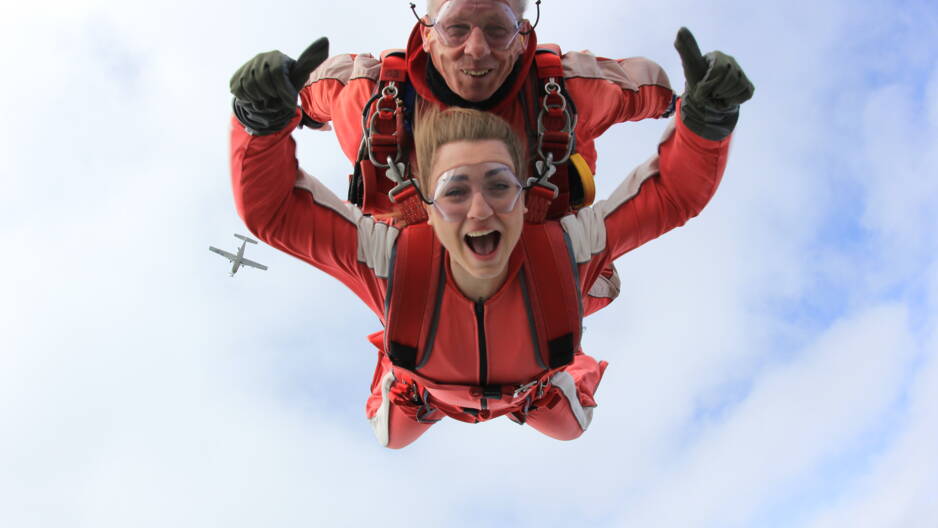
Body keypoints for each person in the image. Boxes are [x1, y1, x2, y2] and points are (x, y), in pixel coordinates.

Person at [228, 28, 753, 448]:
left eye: (499, 186)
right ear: (426, 210)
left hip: (537, 385)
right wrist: (261, 119)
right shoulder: (390, 259)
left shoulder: (567, 250)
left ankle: (538, 386)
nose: (480, 210)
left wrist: (705, 121)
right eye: (456, 192)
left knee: (571, 425)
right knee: (391, 434)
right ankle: (413, 383)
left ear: (527, 197)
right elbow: (271, 212)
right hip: (422, 389)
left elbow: (670, 195)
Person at [230, 2, 752, 313]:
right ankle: (417, 385)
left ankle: (545, 376)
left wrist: (700, 110)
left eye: (498, 27)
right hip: (411, 278)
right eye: (458, 26)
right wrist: (262, 111)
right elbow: (303, 103)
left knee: (567, 393)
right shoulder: (365, 96)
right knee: (396, 418)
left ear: (523, 30)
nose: (476, 49)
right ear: (428, 29)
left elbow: (647, 89)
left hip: (546, 267)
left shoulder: (568, 91)